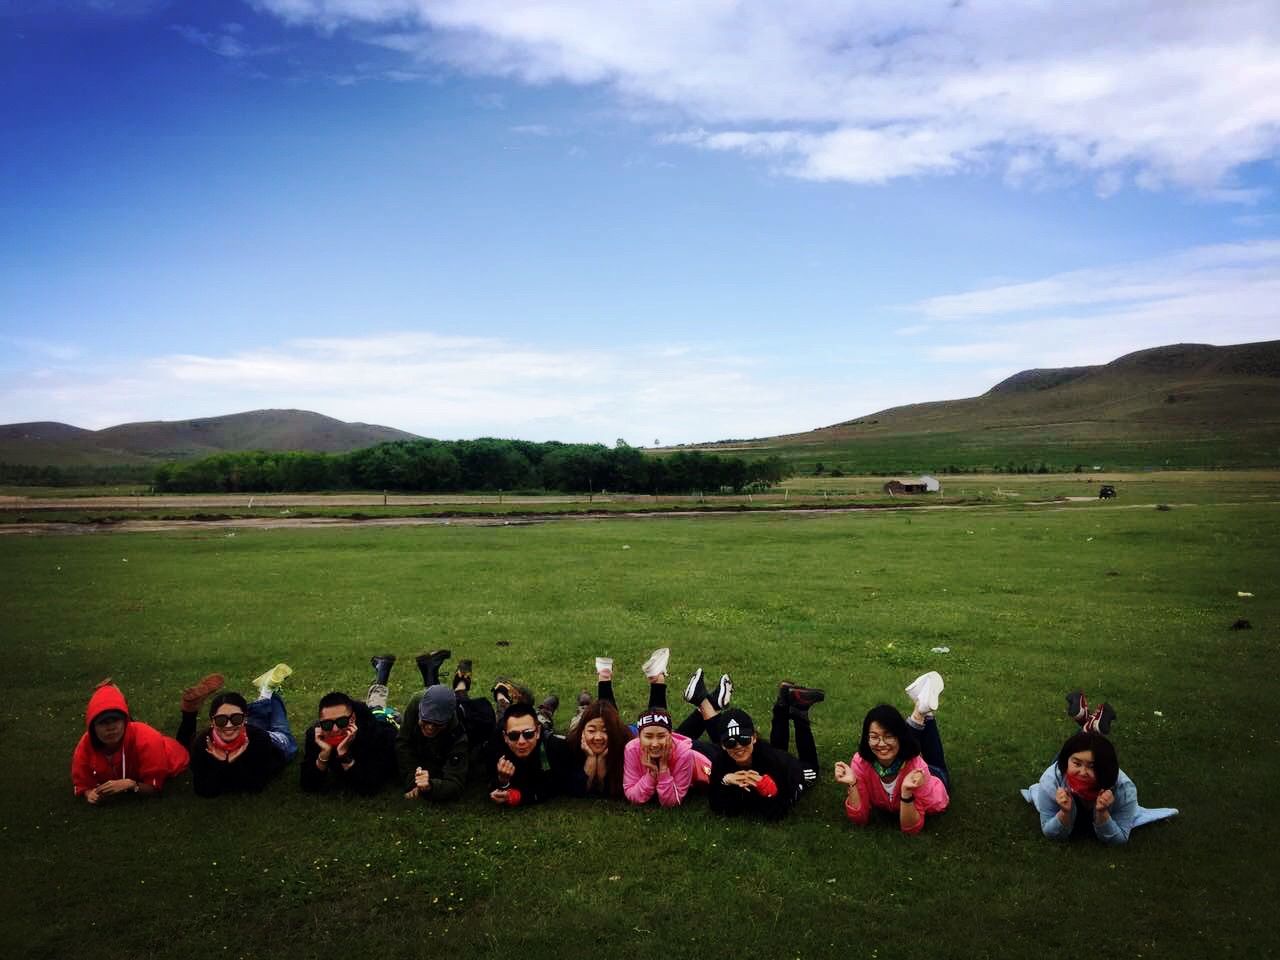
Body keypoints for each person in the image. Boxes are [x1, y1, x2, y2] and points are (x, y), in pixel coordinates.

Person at [1022, 690, 1177, 843]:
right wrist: (1064, 812)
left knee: (1083, 751)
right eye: (1077, 764)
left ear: (1104, 767)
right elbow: (1050, 832)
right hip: (1063, 766)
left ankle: (1087, 724)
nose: (1083, 772)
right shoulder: (1051, 780)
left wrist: (1103, 814)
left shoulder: (1124, 789)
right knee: (1077, 751)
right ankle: (1088, 727)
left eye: (1092, 766)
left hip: (1074, 763)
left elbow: (1120, 838)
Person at [834, 671, 949, 835]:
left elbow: (910, 829)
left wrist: (907, 791)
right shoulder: (860, 762)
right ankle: (923, 710)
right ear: (866, 738)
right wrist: (852, 783)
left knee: (935, 764)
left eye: (888, 736)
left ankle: (923, 712)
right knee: (898, 745)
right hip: (906, 756)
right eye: (873, 737)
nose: (880, 744)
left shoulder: (917, 767)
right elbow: (859, 819)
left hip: (934, 779)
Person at [707, 679, 825, 821]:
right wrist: (725, 781)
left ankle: (800, 712)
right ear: (722, 746)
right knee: (776, 751)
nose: (738, 746)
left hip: (788, 769)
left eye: (744, 739)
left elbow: (779, 811)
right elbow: (718, 806)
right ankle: (782, 703)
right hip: (772, 757)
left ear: (754, 738)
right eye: (730, 742)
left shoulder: (772, 761)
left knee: (811, 771)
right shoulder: (720, 762)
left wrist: (769, 790)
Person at [619, 651, 724, 807]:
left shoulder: (683, 753)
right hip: (680, 745)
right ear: (638, 737)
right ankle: (708, 702)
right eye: (648, 736)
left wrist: (662, 771)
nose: (654, 744)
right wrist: (651, 775)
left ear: (671, 735)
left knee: (728, 751)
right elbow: (632, 795)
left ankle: (706, 702)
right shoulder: (632, 749)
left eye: (661, 736)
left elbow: (671, 801)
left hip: (702, 756)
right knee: (657, 728)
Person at [176, 663, 297, 798]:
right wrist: (224, 762)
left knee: (282, 732)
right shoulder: (202, 743)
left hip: (276, 746)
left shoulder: (259, 739)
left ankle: (268, 691)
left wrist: (232, 762)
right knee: (255, 718)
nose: (228, 725)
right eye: (221, 720)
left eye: (236, 718)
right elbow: (203, 790)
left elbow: (256, 785)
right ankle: (266, 691)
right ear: (212, 721)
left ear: (244, 718)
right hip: (243, 729)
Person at [71, 679, 190, 805]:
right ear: (92, 727)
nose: (110, 727)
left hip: (174, 756)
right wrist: (89, 793)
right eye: (103, 722)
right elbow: (82, 781)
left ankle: (190, 712)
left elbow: (155, 788)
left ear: (125, 722)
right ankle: (116, 699)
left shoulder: (148, 739)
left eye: (115, 720)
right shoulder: (86, 742)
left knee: (192, 746)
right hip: (136, 741)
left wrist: (131, 785)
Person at [300, 655, 400, 795]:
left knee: (378, 710)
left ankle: (384, 673)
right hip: (362, 714)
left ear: (352, 718)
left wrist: (344, 754)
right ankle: (382, 670)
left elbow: (370, 786)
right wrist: (323, 755)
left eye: (341, 722)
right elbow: (308, 785)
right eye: (327, 724)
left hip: (385, 722)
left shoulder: (372, 735)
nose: (335, 729)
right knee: (374, 707)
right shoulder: (315, 735)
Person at [546, 655, 633, 799]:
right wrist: (591, 758)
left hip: (612, 727)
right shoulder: (570, 743)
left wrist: (601, 760)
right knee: (577, 721)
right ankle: (574, 708)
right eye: (592, 731)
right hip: (580, 725)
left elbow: (614, 790)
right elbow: (576, 788)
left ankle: (589, 700)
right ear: (583, 732)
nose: (598, 737)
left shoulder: (627, 744)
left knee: (608, 714)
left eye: (605, 732)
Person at [397, 683, 471, 803]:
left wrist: (430, 787)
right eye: (426, 720)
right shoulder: (416, 702)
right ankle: (461, 684)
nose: (430, 728)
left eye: (438, 723)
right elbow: (402, 744)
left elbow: (456, 784)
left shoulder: (458, 734)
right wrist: (413, 782)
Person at [489, 702, 556, 808]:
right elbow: (492, 784)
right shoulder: (495, 745)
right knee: (501, 715)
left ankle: (546, 710)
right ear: (505, 737)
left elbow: (552, 785)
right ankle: (502, 698)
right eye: (513, 736)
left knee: (544, 721)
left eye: (528, 734)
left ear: (537, 732)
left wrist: (519, 797)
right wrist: (503, 781)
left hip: (542, 728)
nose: (521, 741)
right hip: (502, 725)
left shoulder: (551, 744)